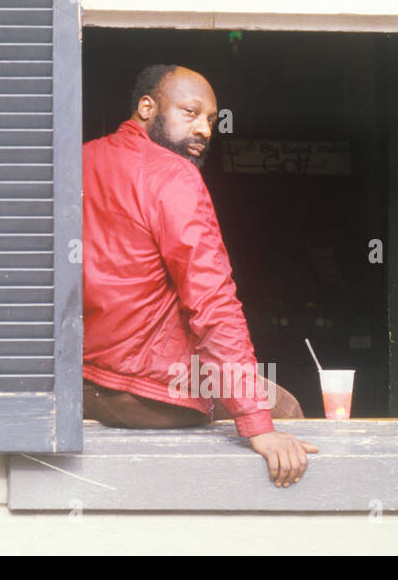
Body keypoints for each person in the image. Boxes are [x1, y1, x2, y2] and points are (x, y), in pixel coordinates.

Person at [82, 64, 316, 487]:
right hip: (149, 394)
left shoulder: (80, 160)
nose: (205, 129)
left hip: (82, 388)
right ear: (147, 106)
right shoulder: (174, 175)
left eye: (210, 119)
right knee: (285, 407)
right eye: (190, 113)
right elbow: (212, 300)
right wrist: (258, 424)